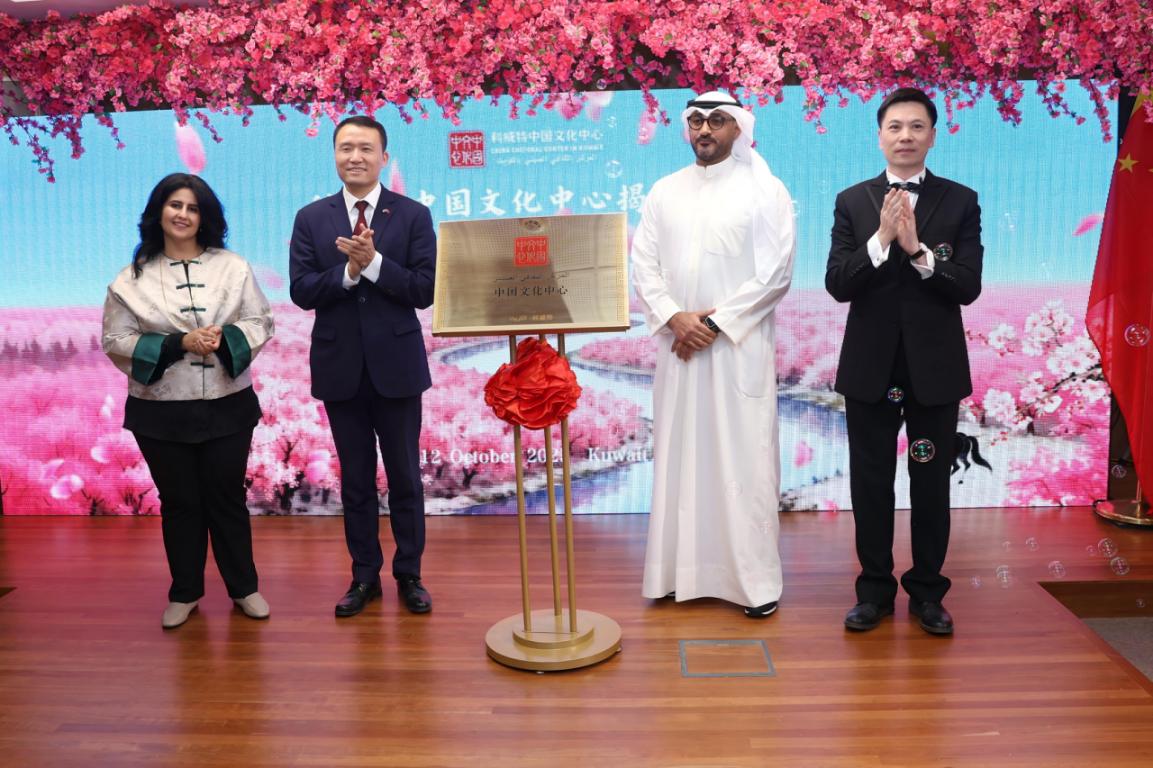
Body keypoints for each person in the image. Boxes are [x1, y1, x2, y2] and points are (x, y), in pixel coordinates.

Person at [631, 91, 796, 618]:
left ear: (738, 128)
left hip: (735, 351)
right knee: (680, 460)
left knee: (742, 463)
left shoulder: (764, 190)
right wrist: (675, 317)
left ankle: (753, 584)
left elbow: (776, 273)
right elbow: (644, 266)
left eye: (717, 121)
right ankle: (674, 575)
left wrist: (712, 324)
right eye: (697, 121)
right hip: (677, 348)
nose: (705, 130)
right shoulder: (664, 190)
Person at [826, 87, 983, 636]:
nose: (906, 136)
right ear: (880, 136)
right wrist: (880, 240)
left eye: (917, 126)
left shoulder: (960, 201)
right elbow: (838, 284)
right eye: (895, 127)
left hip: (934, 368)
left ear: (933, 136)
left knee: (931, 482)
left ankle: (928, 593)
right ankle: (872, 592)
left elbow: (967, 286)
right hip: (870, 368)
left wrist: (917, 250)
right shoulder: (852, 201)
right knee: (870, 483)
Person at [102, 173, 275, 629]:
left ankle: (244, 588)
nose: (183, 214)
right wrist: (178, 343)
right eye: (174, 205)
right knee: (179, 502)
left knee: (227, 498)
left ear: (205, 217)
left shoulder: (233, 267)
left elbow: (261, 320)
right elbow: (115, 339)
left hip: (227, 403)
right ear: (158, 212)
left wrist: (224, 338)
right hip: (159, 409)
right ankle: (185, 592)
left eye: (193, 208)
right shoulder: (130, 278)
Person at [289, 116, 437, 617]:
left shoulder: (412, 215)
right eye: (346, 147)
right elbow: (302, 291)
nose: (355, 156)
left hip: (397, 367)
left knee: (405, 478)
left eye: (366, 148)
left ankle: (410, 574)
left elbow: (423, 289)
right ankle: (364, 576)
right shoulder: (312, 218)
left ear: (383, 158)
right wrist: (348, 272)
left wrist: (372, 264)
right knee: (355, 480)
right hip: (340, 368)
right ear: (334, 155)